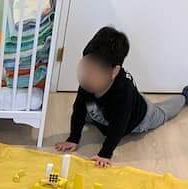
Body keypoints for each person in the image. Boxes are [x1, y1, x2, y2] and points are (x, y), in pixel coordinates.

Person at [56, 26, 188, 167]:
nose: (88, 75)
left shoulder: (123, 93)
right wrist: (73, 138)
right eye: (87, 69)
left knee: (163, 112)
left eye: (94, 72)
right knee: (86, 109)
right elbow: (79, 110)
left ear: (114, 71)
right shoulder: (88, 81)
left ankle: (184, 97)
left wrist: (105, 154)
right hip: (112, 107)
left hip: (141, 117)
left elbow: (119, 126)